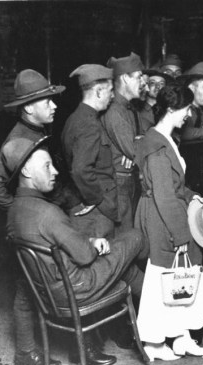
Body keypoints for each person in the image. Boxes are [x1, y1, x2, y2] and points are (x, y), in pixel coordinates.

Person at [6, 137, 147, 365]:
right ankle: (161, 315)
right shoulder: (48, 213)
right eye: (47, 166)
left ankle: (156, 316)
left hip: (46, 291)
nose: (55, 172)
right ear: (27, 171)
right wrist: (91, 245)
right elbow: (84, 256)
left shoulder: (14, 211)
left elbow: (57, 246)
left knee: (124, 265)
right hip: (78, 290)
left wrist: (90, 240)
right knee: (134, 237)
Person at [0, 69, 65, 365]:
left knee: (32, 290)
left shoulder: (36, 132)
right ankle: (26, 354)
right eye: (47, 101)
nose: (54, 105)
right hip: (29, 231)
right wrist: (20, 210)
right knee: (26, 292)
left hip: (36, 225)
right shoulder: (19, 138)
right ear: (29, 107)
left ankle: (30, 350)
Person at [135, 84, 203, 360]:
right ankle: (154, 344)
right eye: (186, 109)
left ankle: (182, 337)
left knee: (183, 275)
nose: (189, 115)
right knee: (163, 277)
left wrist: (193, 196)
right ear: (170, 110)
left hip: (171, 212)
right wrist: (180, 235)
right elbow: (165, 197)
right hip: (161, 217)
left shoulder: (167, 139)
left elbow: (176, 186)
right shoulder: (156, 146)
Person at [62, 64, 118, 239]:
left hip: (81, 201)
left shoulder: (75, 117)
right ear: (99, 91)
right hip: (96, 213)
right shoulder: (89, 124)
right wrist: (96, 199)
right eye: (110, 90)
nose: (113, 95)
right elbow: (80, 169)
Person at [103, 52, 146, 233]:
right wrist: (135, 146)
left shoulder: (129, 108)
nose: (143, 82)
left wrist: (138, 142)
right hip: (120, 185)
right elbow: (135, 150)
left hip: (130, 180)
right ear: (125, 79)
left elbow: (139, 142)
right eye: (138, 77)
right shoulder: (115, 111)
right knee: (127, 238)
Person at [137, 68, 171, 134]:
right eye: (152, 83)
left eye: (161, 83)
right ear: (146, 86)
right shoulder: (138, 111)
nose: (157, 86)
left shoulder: (169, 110)